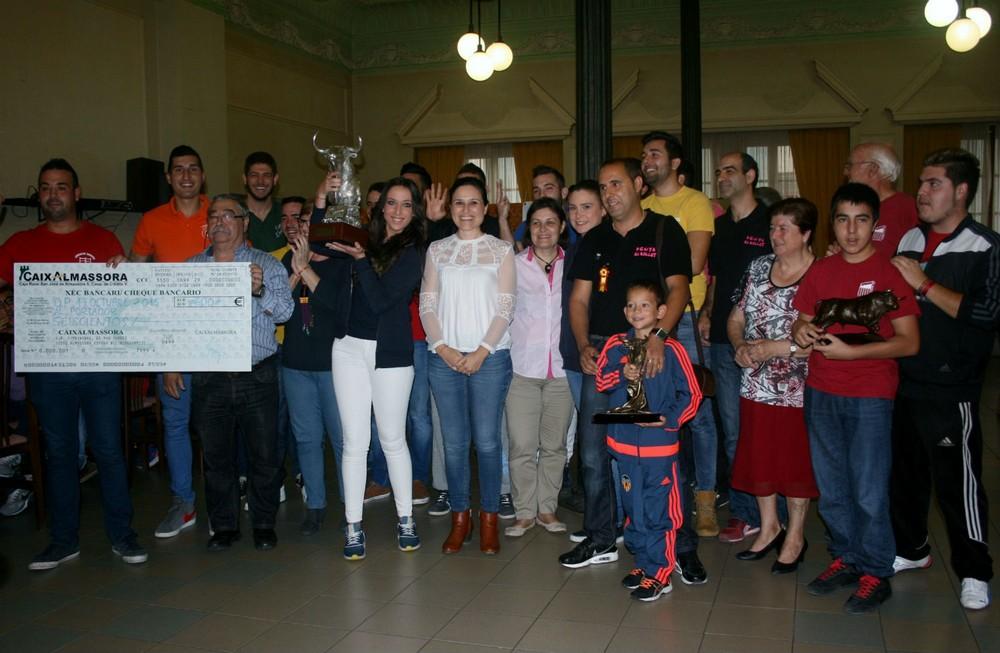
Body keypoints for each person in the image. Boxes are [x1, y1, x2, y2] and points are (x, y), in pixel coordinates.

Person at [0, 159, 146, 570]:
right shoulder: (20, 244)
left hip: (99, 365)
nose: (53, 194)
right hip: (47, 369)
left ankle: (123, 536)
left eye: (61, 186)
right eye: (46, 187)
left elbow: (125, 301)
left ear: (76, 193)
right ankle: (63, 541)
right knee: (59, 454)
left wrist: (129, 274)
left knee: (109, 451)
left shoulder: (103, 240)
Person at [563, 158, 696, 578]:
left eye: (616, 184)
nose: (609, 194)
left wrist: (659, 336)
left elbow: (679, 288)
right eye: (603, 187)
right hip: (606, 358)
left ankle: (681, 544)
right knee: (593, 451)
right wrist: (583, 345)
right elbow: (578, 300)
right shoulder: (595, 238)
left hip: (652, 353)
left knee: (666, 448)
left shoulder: (663, 230)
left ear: (639, 185)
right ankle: (602, 536)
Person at [792, 183, 919, 614]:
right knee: (831, 488)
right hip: (822, 390)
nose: (851, 230)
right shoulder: (821, 271)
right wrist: (802, 332)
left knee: (868, 489)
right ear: (833, 224)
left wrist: (852, 353)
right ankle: (846, 557)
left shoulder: (889, 273)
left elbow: (909, 342)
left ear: (874, 225)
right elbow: (801, 322)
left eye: (861, 220)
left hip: (870, 394)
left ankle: (876, 570)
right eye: (843, 220)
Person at [890, 148, 997, 611]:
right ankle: (912, 549)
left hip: (952, 388)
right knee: (905, 476)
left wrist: (925, 284)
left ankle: (975, 570)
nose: (922, 192)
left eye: (933, 183)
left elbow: (987, 314)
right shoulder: (910, 237)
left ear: (961, 190)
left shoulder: (985, 246)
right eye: (921, 183)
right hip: (903, 379)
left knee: (958, 483)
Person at [186, 194, 293, 553]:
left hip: (257, 375)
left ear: (244, 222)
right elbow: (173, 319)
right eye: (213, 216)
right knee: (216, 459)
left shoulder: (266, 264)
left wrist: (259, 290)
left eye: (227, 215)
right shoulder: (191, 268)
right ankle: (224, 527)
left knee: (264, 455)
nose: (219, 222)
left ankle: (263, 524)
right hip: (209, 378)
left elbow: (285, 312)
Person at [329, 176, 427, 559]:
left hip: (390, 353)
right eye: (392, 203)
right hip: (348, 348)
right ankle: (353, 524)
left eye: (406, 204)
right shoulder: (362, 240)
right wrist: (322, 200)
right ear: (380, 206)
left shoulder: (415, 252)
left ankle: (406, 519)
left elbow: (383, 300)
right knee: (354, 442)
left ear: (415, 211)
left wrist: (361, 262)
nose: (398, 211)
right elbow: (322, 243)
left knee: (392, 439)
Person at [420, 176, 515, 556]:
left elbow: (506, 306)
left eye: (473, 202)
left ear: (485, 207)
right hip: (443, 358)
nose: (466, 210)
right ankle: (461, 518)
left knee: (488, 442)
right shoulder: (437, 249)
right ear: (450, 208)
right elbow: (427, 303)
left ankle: (489, 517)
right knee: (454, 443)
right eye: (458, 203)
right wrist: (443, 348)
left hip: (490, 359)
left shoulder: (501, 250)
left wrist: (481, 351)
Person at [727, 198, 818, 573]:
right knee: (759, 456)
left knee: (795, 463)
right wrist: (739, 346)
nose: (775, 235)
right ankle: (769, 526)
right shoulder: (759, 266)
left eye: (784, 229)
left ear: (806, 234)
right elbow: (737, 317)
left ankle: (795, 535)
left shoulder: (821, 273)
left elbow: (822, 340)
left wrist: (773, 348)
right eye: (772, 228)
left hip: (798, 388)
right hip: (755, 383)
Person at [598, 280, 702, 601]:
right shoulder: (616, 344)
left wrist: (668, 420)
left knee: (660, 511)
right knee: (634, 508)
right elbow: (602, 380)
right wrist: (621, 374)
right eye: (631, 305)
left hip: (659, 448)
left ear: (660, 311)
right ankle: (643, 563)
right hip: (624, 447)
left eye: (645, 305)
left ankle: (661, 571)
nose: (636, 311)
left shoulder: (673, 350)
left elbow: (692, 394)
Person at [639, 131, 720, 538]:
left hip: (683, 321)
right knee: (655, 408)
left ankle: (705, 500)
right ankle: (668, 493)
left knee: (697, 413)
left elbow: (694, 262)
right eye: (644, 155)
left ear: (674, 163)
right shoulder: (642, 207)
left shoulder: (695, 203)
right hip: (644, 321)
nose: (647, 160)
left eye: (655, 154)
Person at [127, 144, 209, 540]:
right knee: (175, 423)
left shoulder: (221, 212)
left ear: (203, 175)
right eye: (179, 169)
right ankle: (184, 503)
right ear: (168, 177)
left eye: (193, 169)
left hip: (217, 335)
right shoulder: (152, 220)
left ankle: (229, 499)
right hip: (171, 338)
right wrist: (120, 270)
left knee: (221, 423)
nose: (186, 176)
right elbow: (136, 276)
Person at [699, 152, 773, 543]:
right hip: (722, 342)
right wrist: (707, 312)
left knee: (765, 430)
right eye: (719, 172)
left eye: (730, 170)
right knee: (733, 431)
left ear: (751, 175)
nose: (722, 177)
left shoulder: (771, 223)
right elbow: (715, 279)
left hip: (763, 344)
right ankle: (746, 513)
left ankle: (775, 511)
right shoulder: (719, 227)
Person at [504, 198, 573, 537]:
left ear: (562, 227)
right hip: (522, 369)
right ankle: (524, 512)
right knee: (521, 445)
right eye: (536, 223)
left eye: (550, 222)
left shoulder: (574, 266)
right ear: (527, 228)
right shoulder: (514, 266)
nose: (543, 229)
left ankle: (547, 508)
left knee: (555, 446)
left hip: (562, 371)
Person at [279, 191, 347, 535]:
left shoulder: (341, 262)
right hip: (295, 363)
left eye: (309, 222)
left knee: (341, 439)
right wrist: (295, 270)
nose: (303, 228)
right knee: (306, 438)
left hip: (334, 365)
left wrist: (305, 269)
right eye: (300, 222)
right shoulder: (285, 260)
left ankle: (351, 505)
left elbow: (334, 304)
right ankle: (315, 506)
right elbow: (279, 307)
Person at [559, 180, 607, 515]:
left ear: (603, 209)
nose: (578, 215)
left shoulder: (614, 248)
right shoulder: (570, 251)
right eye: (573, 208)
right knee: (587, 438)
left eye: (586, 207)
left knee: (601, 439)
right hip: (573, 354)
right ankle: (598, 511)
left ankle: (609, 513)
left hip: (603, 354)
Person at [840, 143, 917, 258]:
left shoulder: (906, 207)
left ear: (873, 170)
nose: (845, 172)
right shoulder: (857, 209)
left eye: (850, 166)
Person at [243, 151, 286, 251]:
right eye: (254, 175)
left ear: (275, 179)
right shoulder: (235, 215)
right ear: (245, 179)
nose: (260, 181)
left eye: (266, 175)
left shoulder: (285, 213)